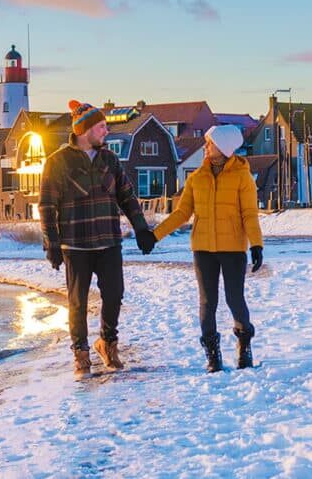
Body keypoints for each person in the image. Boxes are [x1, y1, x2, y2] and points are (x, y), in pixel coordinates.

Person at [39, 100, 156, 378]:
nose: (106, 132)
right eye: (102, 127)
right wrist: (51, 244)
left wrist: (141, 229)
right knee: (77, 302)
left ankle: (107, 343)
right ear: (85, 130)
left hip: (109, 242)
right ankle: (81, 356)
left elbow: (127, 198)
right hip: (75, 245)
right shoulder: (58, 162)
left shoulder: (110, 160)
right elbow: (46, 206)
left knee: (114, 295)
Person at [151, 124, 263, 372]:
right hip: (202, 248)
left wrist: (256, 244)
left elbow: (250, 215)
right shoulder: (196, 178)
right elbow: (182, 212)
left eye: (210, 143)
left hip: (233, 248)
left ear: (222, 148)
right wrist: (154, 235)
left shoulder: (242, 177)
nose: (205, 147)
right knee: (207, 302)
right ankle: (212, 354)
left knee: (235, 299)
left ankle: (244, 344)